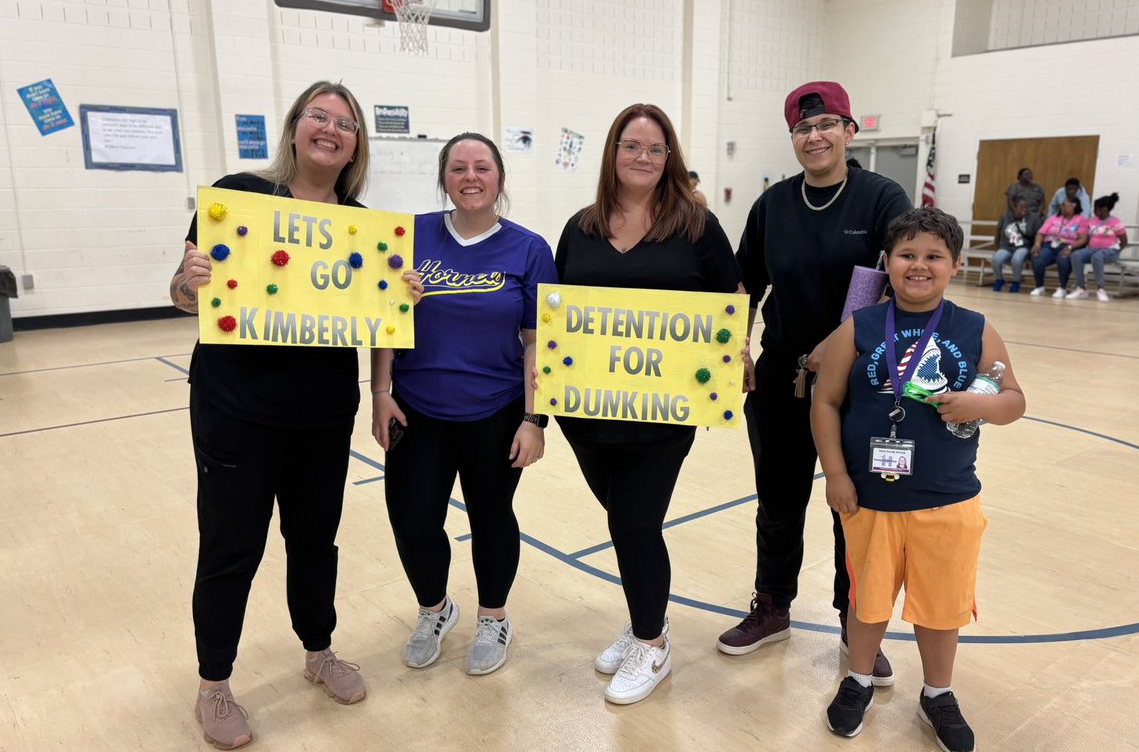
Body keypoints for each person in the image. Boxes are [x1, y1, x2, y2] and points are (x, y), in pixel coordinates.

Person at [171, 81, 386, 750]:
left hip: (322, 414)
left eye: (345, 123)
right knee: (233, 545)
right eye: (318, 117)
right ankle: (213, 685)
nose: (331, 129)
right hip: (236, 407)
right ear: (294, 128)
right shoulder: (239, 195)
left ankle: (318, 652)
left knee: (315, 540)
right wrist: (190, 281)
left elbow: (379, 319)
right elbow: (180, 294)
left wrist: (396, 293)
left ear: (356, 145)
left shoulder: (362, 224)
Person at [812, 207, 1026, 752]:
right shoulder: (859, 327)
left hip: (948, 500)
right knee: (868, 602)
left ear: (955, 264)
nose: (919, 265)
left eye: (934, 256)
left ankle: (939, 692)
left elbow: (1013, 401)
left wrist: (979, 403)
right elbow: (825, 401)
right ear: (887, 262)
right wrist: (835, 473)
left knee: (941, 605)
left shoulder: (974, 328)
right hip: (871, 499)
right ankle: (858, 679)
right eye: (907, 254)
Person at [718, 81, 911, 686]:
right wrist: (737, 346)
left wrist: (843, 349)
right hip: (782, 378)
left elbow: (905, 278)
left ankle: (856, 622)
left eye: (827, 124)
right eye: (803, 129)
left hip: (859, 382)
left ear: (851, 132)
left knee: (850, 503)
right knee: (777, 499)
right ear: (793, 140)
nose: (815, 136)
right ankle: (772, 605)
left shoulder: (881, 197)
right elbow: (742, 283)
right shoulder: (772, 205)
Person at [554, 104, 742, 705]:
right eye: (631, 145)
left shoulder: (696, 225)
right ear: (613, 153)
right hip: (585, 411)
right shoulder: (580, 227)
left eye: (655, 148)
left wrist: (740, 351)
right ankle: (646, 613)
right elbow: (558, 312)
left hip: (665, 412)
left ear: (670, 158)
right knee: (624, 521)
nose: (642, 157)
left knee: (635, 521)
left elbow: (732, 296)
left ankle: (652, 644)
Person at [371, 132, 557, 676]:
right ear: (443, 178)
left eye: (481, 167)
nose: (470, 176)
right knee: (412, 520)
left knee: (491, 517)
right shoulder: (409, 236)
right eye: (457, 168)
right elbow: (384, 322)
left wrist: (533, 419)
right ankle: (435, 610)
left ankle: (493, 617)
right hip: (415, 408)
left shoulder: (529, 248)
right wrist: (380, 393)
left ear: (500, 178)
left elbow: (538, 343)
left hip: (496, 410)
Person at [1066, 193, 1126, 301]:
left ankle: (1100, 289)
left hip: (1109, 251)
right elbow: (1086, 236)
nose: (1094, 211)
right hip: (1092, 249)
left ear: (1105, 209)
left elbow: (1124, 241)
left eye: (1097, 208)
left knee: (1097, 257)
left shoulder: (1116, 222)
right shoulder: (1092, 221)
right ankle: (1081, 288)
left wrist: (1114, 251)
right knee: (1076, 255)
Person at [1029, 195, 1090, 297]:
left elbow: (1083, 239)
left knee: (1063, 259)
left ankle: (1062, 288)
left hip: (1067, 246)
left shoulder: (1081, 219)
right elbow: (1041, 233)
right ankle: (1039, 286)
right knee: (1037, 256)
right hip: (1049, 245)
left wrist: (1071, 247)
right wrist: (1037, 244)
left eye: (1063, 204)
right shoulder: (1053, 218)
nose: (1061, 206)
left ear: (1073, 206)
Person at [991, 199, 1037, 292]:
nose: (1024, 210)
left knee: (1016, 259)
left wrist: (1035, 246)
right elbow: (998, 233)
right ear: (1014, 208)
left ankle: (1016, 282)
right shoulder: (1005, 217)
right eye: (1021, 207)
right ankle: (999, 279)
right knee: (996, 258)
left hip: (1023, 246)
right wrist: (996, 248)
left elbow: (1037, 234)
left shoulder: (1033, 218)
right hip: (1006, 246)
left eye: (1026, 207)